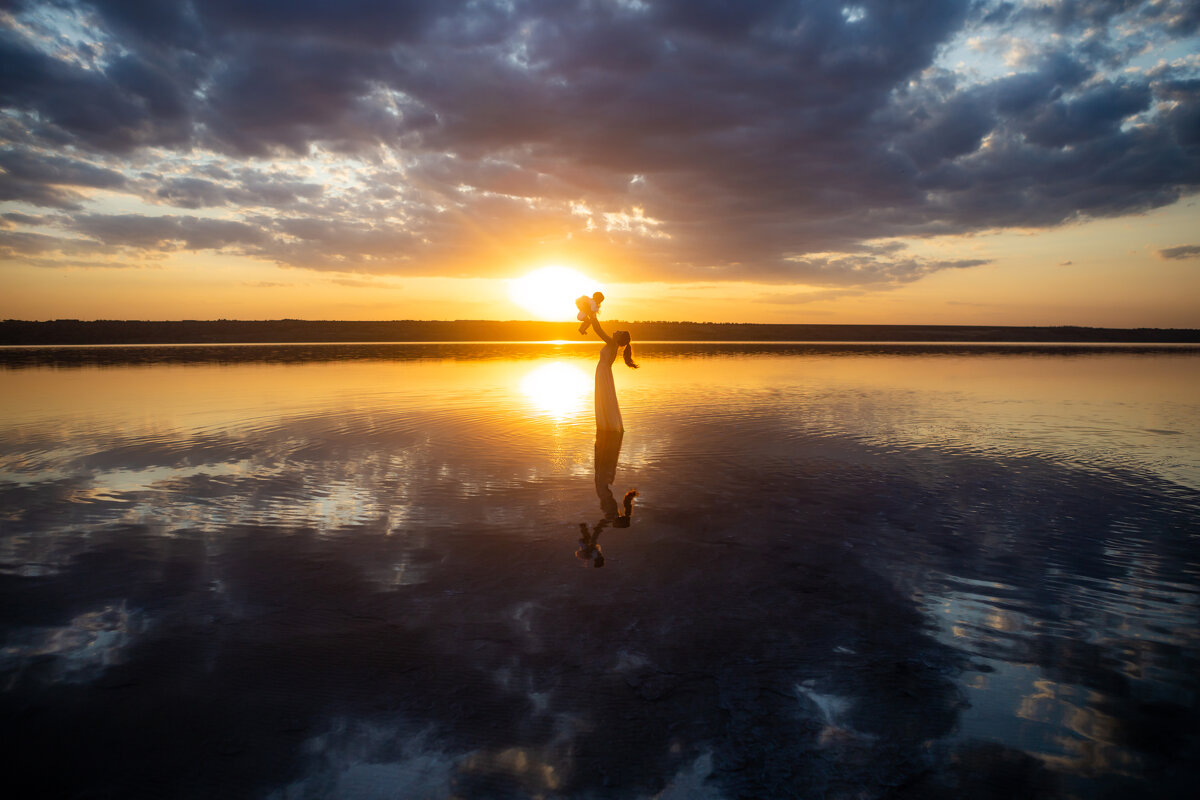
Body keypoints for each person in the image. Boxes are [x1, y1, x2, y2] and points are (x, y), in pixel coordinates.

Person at [588, 316, 637, 432]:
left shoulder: (611, 343)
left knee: (604, 399)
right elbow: (597, 329)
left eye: (619, 332)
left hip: (603, 373)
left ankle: (606, 426)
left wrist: (592, 314)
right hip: (604, 373)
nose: (616, 331)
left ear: (619, 337)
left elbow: (598, 330)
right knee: (604, 398)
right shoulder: (613, 344)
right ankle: (606, 425)